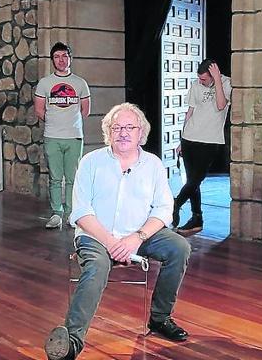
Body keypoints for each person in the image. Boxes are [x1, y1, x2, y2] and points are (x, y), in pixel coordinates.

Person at [44, 103, 191, 360]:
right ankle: (71, 341)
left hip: (141, 234)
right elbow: (80, 211)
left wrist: (137, 238)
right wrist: (111, 242)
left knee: (179, 247)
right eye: (117, 127)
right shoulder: (91, 162)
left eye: (129, 127)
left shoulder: (153, 164)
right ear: (108, 132)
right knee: (97, 266)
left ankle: (160, 318)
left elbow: (164, 209)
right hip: (97, 236)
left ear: (140, 133)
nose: (123, 133)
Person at [34, 42, 91, 229]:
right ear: (52, 60)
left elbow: (85, 110)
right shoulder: (45, 83)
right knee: (55, 178)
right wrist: (55, 121)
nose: (61, 60)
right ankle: (56, 213)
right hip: (52, 136)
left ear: (70, 58)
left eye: (64, 56)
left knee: (73, 178)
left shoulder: (80, 83)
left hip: (74, 136)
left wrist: (69, 122)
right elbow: (39, 111)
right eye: (57, 56)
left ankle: (71, 214)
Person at [172, 58, 231, 234]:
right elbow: (189, 112)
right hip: (190, 138)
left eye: (204, 79)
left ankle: (175, 204)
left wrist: (218, 80)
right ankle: (197, 217)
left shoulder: (226, 83)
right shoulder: (196, 86)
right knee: (192, 181)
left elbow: (221, 105)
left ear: (214, 75)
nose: (200, 82)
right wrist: (181, 140)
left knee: (196, 179)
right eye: (199, 78)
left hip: (211, 140)